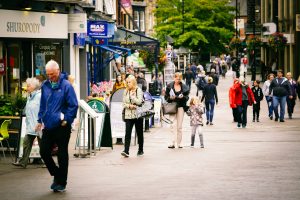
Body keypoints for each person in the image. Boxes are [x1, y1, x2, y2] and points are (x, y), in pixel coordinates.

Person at [36, 60, 78, 192]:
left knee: (62, 153)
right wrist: (39, 119)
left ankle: (61, 182)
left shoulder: (66, 86)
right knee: (43, 151)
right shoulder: (45, 85)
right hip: (48, 125)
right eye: (48, 74)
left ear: (58, 71)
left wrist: (67, 119)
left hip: (62, 125)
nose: (50, 77)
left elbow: (73, 105)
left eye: (52, 74)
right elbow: (43, 104)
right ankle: (57, 174)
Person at [12, 78, 42, 168]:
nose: (27, 87)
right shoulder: (29, 96)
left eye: (28, 85)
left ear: (34, 87)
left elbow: (44, 109)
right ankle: (23, 162)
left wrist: (41, 122)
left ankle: (47, 161)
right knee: (26, 143)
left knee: (43, 146)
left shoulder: (40, 96)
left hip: (39, 125)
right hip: (30, 126)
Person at [121, 75, 144, 157]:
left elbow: (139, 102)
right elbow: (123, 103)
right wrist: (129, 106)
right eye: (127, 82)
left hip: (138, 115)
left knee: (139, 133)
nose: (127, 83)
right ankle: (126, 151)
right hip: (128, 115)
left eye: (129, 82)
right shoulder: (125, 91)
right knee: (127, 133)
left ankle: (140, 150)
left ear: (133, 82)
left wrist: (133, 97)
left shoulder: (138, 90)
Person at [165, 72, 189, 149]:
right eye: (176, 78)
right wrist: (170, 98)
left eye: (179, 78)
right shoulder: (169, 86)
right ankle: (172, 142)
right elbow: (166, 97)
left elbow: (187, 97)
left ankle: (179, 143)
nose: (177, 80)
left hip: (181, 107)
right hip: (172, 107)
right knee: (172, 125)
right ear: (174, 78)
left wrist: (183, 97)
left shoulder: (184, 87)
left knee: (179, 127)